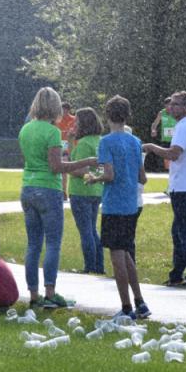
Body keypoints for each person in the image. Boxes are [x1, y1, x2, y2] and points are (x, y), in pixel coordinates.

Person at [18, 87, 96, 309]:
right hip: (48, 189)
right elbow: (56, 167)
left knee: (33, 244)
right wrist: (86, 161)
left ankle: (34, 295)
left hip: (28, 187)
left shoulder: (25, 130)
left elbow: (29, 160)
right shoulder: (52, 132)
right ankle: (50, 292)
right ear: (54, 106)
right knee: (52, 243)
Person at [85, 96, 150, 320]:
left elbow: (109, 174)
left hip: (114, 205)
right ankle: (140, 302)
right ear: (127, 115)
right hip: (132, 205)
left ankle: (126, 308)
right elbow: (143, 177)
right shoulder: (135, 142)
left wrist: (94, 179)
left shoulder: (106, 142)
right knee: (126, 253)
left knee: (117, 257)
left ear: (107, 115)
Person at [143, 91, 186, 288]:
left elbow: (174, 154)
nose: (170, 107)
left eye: (176, 104)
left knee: (184, 232)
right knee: (178, 230)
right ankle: (177, 273)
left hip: (183, 187)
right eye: (170, 103)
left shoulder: (183, 127)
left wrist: (152, 147)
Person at [66, 107, 104, 274]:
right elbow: (99, 168)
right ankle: (99, 265)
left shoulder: (84, 143)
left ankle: (89, 266)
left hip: (80, 191)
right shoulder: (99, 141)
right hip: (96, 190)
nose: (74, 124)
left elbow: (75, 168)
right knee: (92, 229)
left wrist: (66, 167)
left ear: (83, 123)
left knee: (85, 231)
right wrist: (69, 141)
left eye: (77, 121)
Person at [56, 102, 77, 199]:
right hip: (59, 144)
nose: (63, 112)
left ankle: (65, 191)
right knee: (62, 170)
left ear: (68, 110)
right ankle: (62, 191)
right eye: (61, 109)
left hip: (70, 144)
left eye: (65, 109)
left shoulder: (73, 119)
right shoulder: (57, 120)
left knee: (69, 169)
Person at [148, 97, 175, 171]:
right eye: (167, 105)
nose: (169, 107)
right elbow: (154, 124)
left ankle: (174, 170)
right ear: (165, 105)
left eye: (171, 105)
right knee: (166, 155)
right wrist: (153, 130)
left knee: (175, 154)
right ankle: (168, 171)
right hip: (165, 138)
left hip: (176, 138)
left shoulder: (176, 113)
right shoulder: (162, 113)